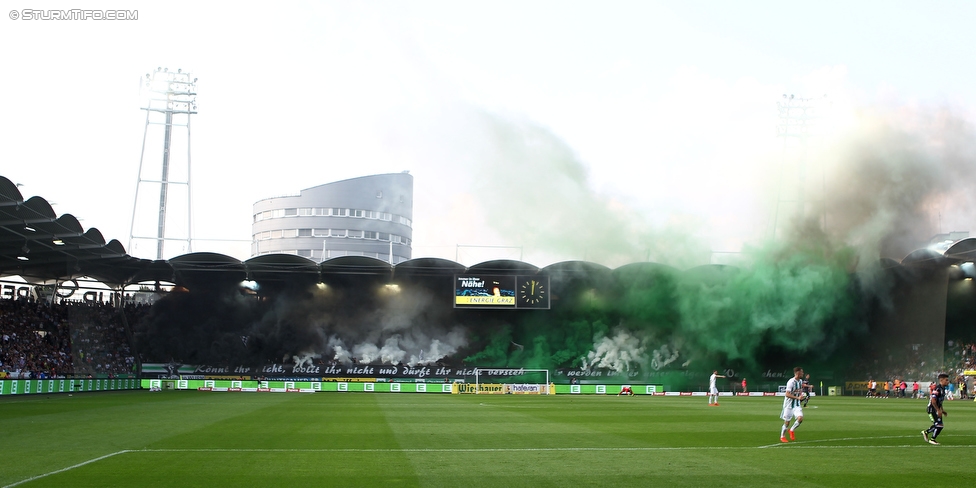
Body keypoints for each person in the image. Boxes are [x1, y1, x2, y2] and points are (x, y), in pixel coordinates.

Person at [921, 373, 949, 445]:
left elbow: (940, 401)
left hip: (936, 409)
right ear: (941, 380)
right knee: (939, 425)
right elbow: (933, 401)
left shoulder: (943, 389)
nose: (947, 381)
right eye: (946, 380)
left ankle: (926, 432)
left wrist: (942, 410)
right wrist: (938, 410)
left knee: (939, 425)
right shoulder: (937, 388)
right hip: (931, 409)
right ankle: (932, 439)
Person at [780, 366, 806, 443]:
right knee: (787, 422)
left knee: (800, 418)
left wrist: (801, 396)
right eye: (802, 372)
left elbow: (799, 391)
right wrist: (797, 398)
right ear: (798, 373)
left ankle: (791, 430)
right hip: (788, 405)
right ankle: (782, 436)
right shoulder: (791, 382)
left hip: (796, 405)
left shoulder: (800, 381)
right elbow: (787, 394)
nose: (803, 373)